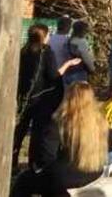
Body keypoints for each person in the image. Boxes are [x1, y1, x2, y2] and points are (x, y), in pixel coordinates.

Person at [12, 82, 107, 197]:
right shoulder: (100, 122)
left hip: (66, 177)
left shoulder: (60, 121)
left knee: (23, 181)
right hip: (94, 171)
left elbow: (47, 156)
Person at [14, 24, 81, 164]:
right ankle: (34, 162)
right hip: (42, 98)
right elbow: (53, 75)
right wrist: (68, 64)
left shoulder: (23, 51)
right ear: (44, 36)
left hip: (25, 95)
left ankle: (13, 158)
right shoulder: (46, 52)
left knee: (20, 129)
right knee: (37, 133)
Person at [63, 21, 96, 86]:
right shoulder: (81, 42)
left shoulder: (68, 41)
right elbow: (86, 58)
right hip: (78, 73)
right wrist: (92, 69)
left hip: (67, 73)